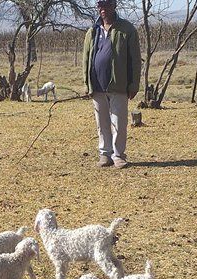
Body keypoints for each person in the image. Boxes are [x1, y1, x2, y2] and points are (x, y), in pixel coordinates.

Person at [83, 0, 142, 168]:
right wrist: (87, 83)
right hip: (97, 84)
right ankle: (105, 154)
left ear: (114, 5)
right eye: (100, 5)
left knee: (119, 123)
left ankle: (118, 156)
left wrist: (134, 84)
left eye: (107, 4)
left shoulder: (127, 29)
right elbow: (85, 59)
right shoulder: (92, 30)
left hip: (119, 84)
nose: (103, 9)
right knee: (101, 123)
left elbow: (135, 59)